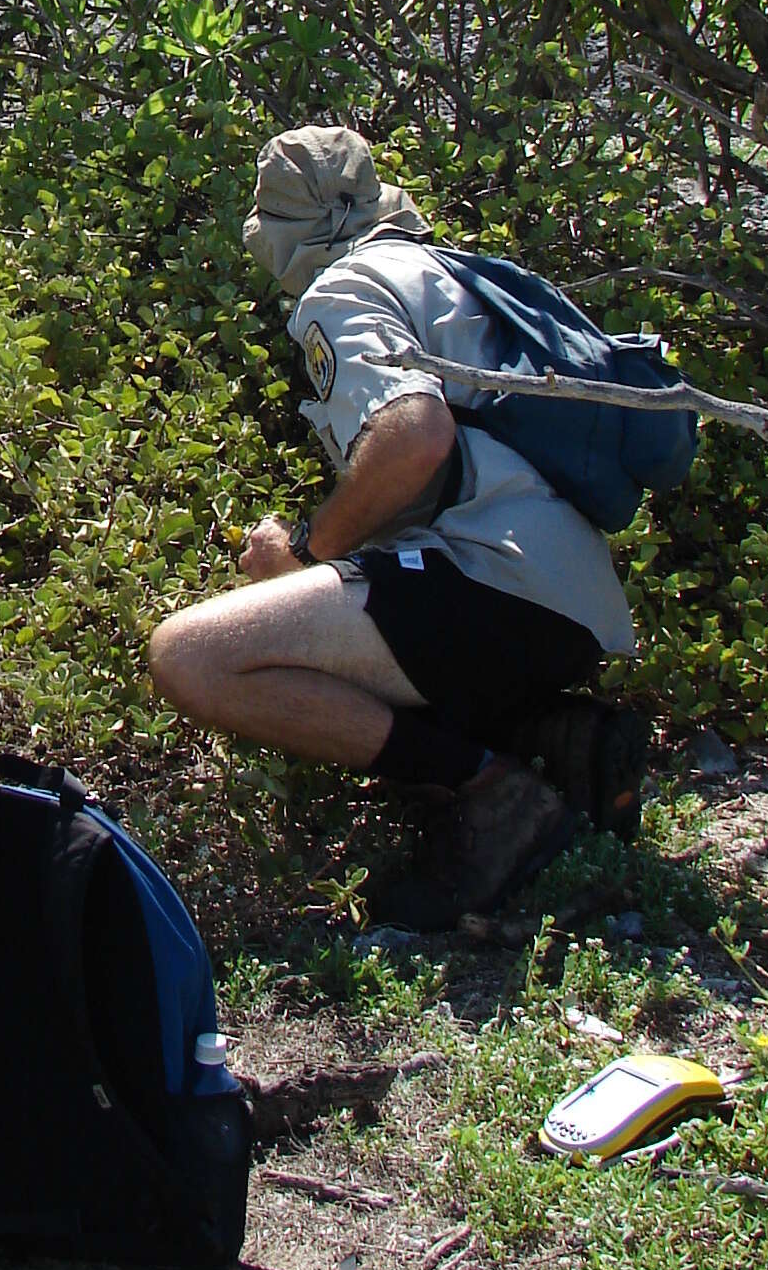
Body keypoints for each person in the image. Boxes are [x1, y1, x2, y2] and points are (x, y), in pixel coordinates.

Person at [147, 127, 646, 928]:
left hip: (495, 583)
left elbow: (416, 436)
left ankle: (492, 795)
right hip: (566, 606)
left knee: (189, 655)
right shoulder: (445, 271)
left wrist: (307, 552)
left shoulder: (343, 290)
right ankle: (554, 741)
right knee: (358, 607)